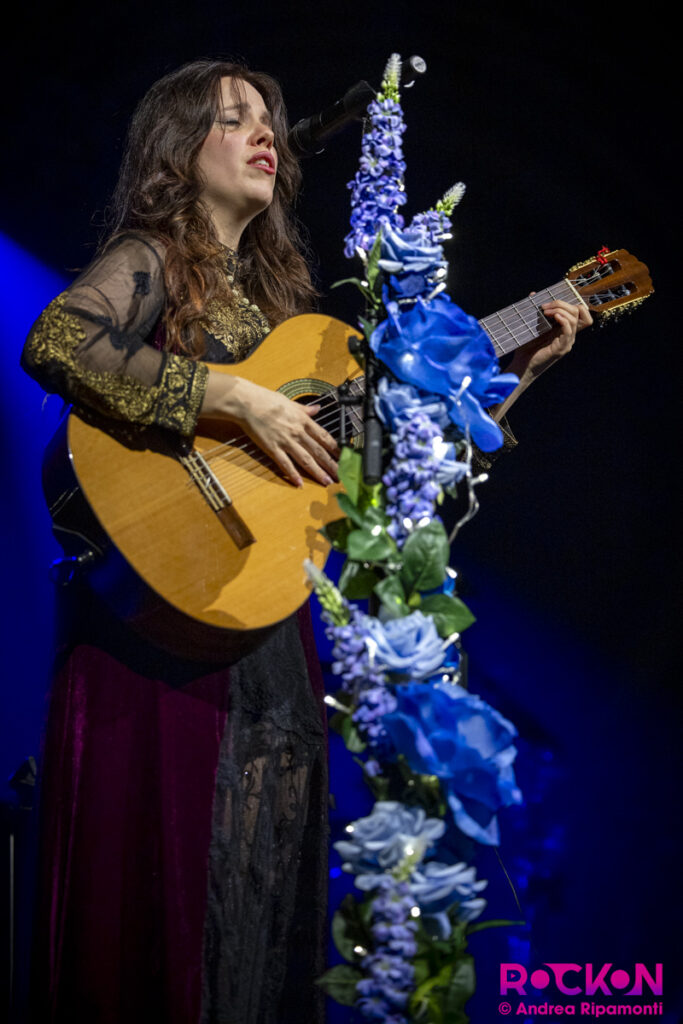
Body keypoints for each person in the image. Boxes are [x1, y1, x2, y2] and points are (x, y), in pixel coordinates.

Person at [21, 57, 591, 1024]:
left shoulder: (298, 324)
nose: (263, 136)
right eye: (231, 119)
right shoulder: (153, 255)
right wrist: (230, 395)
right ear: (175, 147)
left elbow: (393, 469)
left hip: (266, 625)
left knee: (254, 914)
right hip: (153, 636)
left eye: (268, 121)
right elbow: (59, 342)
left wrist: (519, 368)